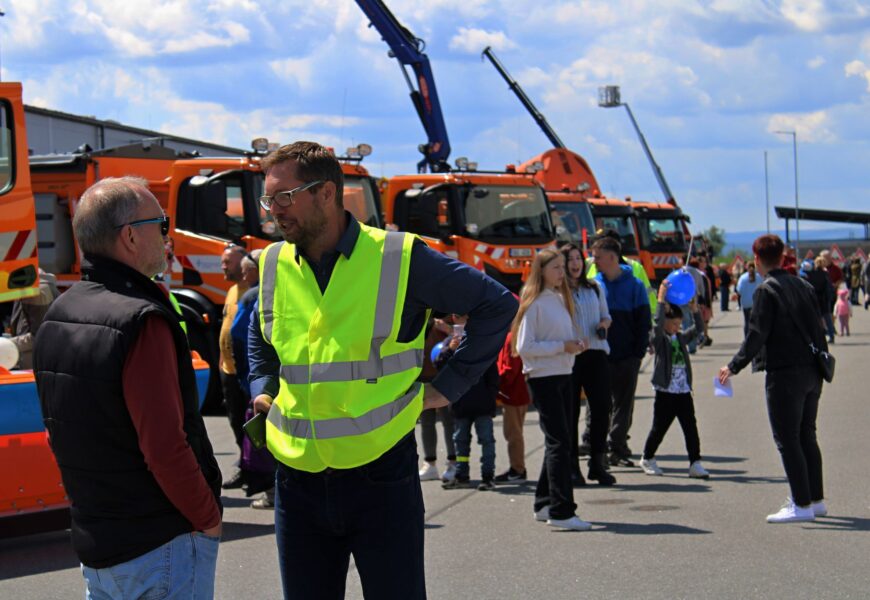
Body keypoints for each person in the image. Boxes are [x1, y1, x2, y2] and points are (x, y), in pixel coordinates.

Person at [247, 141, 517, 599]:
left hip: (379, 475)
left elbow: (496, 304)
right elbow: (260, 332)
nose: (273, 211)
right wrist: (262, 385)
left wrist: (448, 388)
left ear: (327, 193)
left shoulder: (399, 257)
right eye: (267, 199)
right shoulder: (273, 262)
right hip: (296, 480)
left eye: (284, 197)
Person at [33, 176, 222, 598]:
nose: (168, 236)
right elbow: (166, 448)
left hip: (98, 542)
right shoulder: (142, 321)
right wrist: (207, 517)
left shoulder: (60, 312)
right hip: (160, 542)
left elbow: (58, 431)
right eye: (162, 223)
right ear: (131, 236)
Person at [718, 234, 827, 524]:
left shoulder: (766, 291)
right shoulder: (801, 284)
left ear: (756, 259)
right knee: (807, 435)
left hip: (784, 373)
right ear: (783, 257)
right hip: (812, 370)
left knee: (787, 439)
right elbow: (819, 327)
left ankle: (800, 503)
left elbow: (757, 335)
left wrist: (734, 365)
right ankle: (815, 499)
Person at [514, 249, 593, 531]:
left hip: (562, 373)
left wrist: (575, 344)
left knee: (558, 441)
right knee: (560, 443)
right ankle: (561, 510)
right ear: (542, 270)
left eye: (563, 266)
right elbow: (524, 348)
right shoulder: (534, 303)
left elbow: (558, 338)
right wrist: (563, 347)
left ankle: (544, 502)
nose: (563, 271)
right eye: (556, 267)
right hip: (543, 377)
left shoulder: (560, 298)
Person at [592, 236, 652, 467]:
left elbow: (643, 320)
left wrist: (638, 352)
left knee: (624, 404)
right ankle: (598, 445)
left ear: (611, 257)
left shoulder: (634, 285)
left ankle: (617, 445)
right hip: (602, 356)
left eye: (598, 257)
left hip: (628, 356)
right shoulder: (595, 285)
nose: (594, 261)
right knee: (601, 404)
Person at [639, 282, 709, 479]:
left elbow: (699, 328)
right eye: (674, 324)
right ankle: (647, 457)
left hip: (683, 391)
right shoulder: (660, 340)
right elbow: (657, 324)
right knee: (659, 428)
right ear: (666, 323)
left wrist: (695, 310)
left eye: (679, 324)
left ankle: (695, 462)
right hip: (665, 392)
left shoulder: (680, 338)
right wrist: (661, 300)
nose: (677, 327)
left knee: (690, 428)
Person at [561, 243, 616, 486]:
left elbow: (607, 316)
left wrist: (603, 325)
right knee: (570, 412)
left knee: (602, 408)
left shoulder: (594, 287)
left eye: (578, 259)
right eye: (570, 259)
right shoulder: (557, 292)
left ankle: (597, 462)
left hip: (596, 353)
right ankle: (572, 466)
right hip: (571, 357)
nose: (575, 263)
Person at [231, 250, 277, 508]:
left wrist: (246, 378)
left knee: (259, 441)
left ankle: (269, 490)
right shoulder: (250, 294)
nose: (243, 273)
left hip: (256, 381)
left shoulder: (252, 296)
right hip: (261, 380)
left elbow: (238, 336)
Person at [435, 332, 499, 491]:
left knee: (486, 441)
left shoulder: (483, 341)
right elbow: (439, 366)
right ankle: (462, 475)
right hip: (461, 404)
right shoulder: (451, 342)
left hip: (482, 404)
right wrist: (449, 350)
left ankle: (488, 477)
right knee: (461, 442)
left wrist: (491, 399)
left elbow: (493, 377)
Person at [219, 244, 253, 492]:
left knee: (252, 425)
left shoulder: (252, 292)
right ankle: (245, 466)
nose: (224, 266)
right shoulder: (231, 290)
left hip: (246, 372)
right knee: (235, 421)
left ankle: (257, 471)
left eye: (228, 262)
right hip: (228, 370)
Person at [418, 316, 458, 484]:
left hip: (442, 378)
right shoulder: (417, 321)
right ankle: (430, 463)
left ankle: (453, 463)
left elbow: (461, 338)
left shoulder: (445, 322)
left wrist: (448, 330)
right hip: (421, 377)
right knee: (426, 422)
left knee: (449, 422)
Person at [493, 328, 530, 483]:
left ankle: (518, 469)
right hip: (518, 392)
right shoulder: (515, 335)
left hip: (513, 394)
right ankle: (517, 468)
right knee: (515, 433)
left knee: (513, 434)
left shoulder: (510, 338)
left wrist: (496, 386)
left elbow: (509, 369)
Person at [7, 268, 60, 369]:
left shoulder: (36, 291)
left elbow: (39, 336)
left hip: (35, 365)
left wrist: (8, 343)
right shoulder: (25, 285)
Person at [804, 257, 835, 344]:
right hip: (824, 299)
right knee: (827, 318)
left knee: (816, 319)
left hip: (814, 298)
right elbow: (829, 287)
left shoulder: (811, 274)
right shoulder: (825, 274)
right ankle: (831, 335)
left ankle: (817, 337)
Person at [735, 261, 762, 337]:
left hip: (746, 303)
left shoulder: (742, 278)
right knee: (756, 322)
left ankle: (747, 338)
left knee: (747, 321)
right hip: (756, 303)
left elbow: (739, 291)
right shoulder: (759, 277)